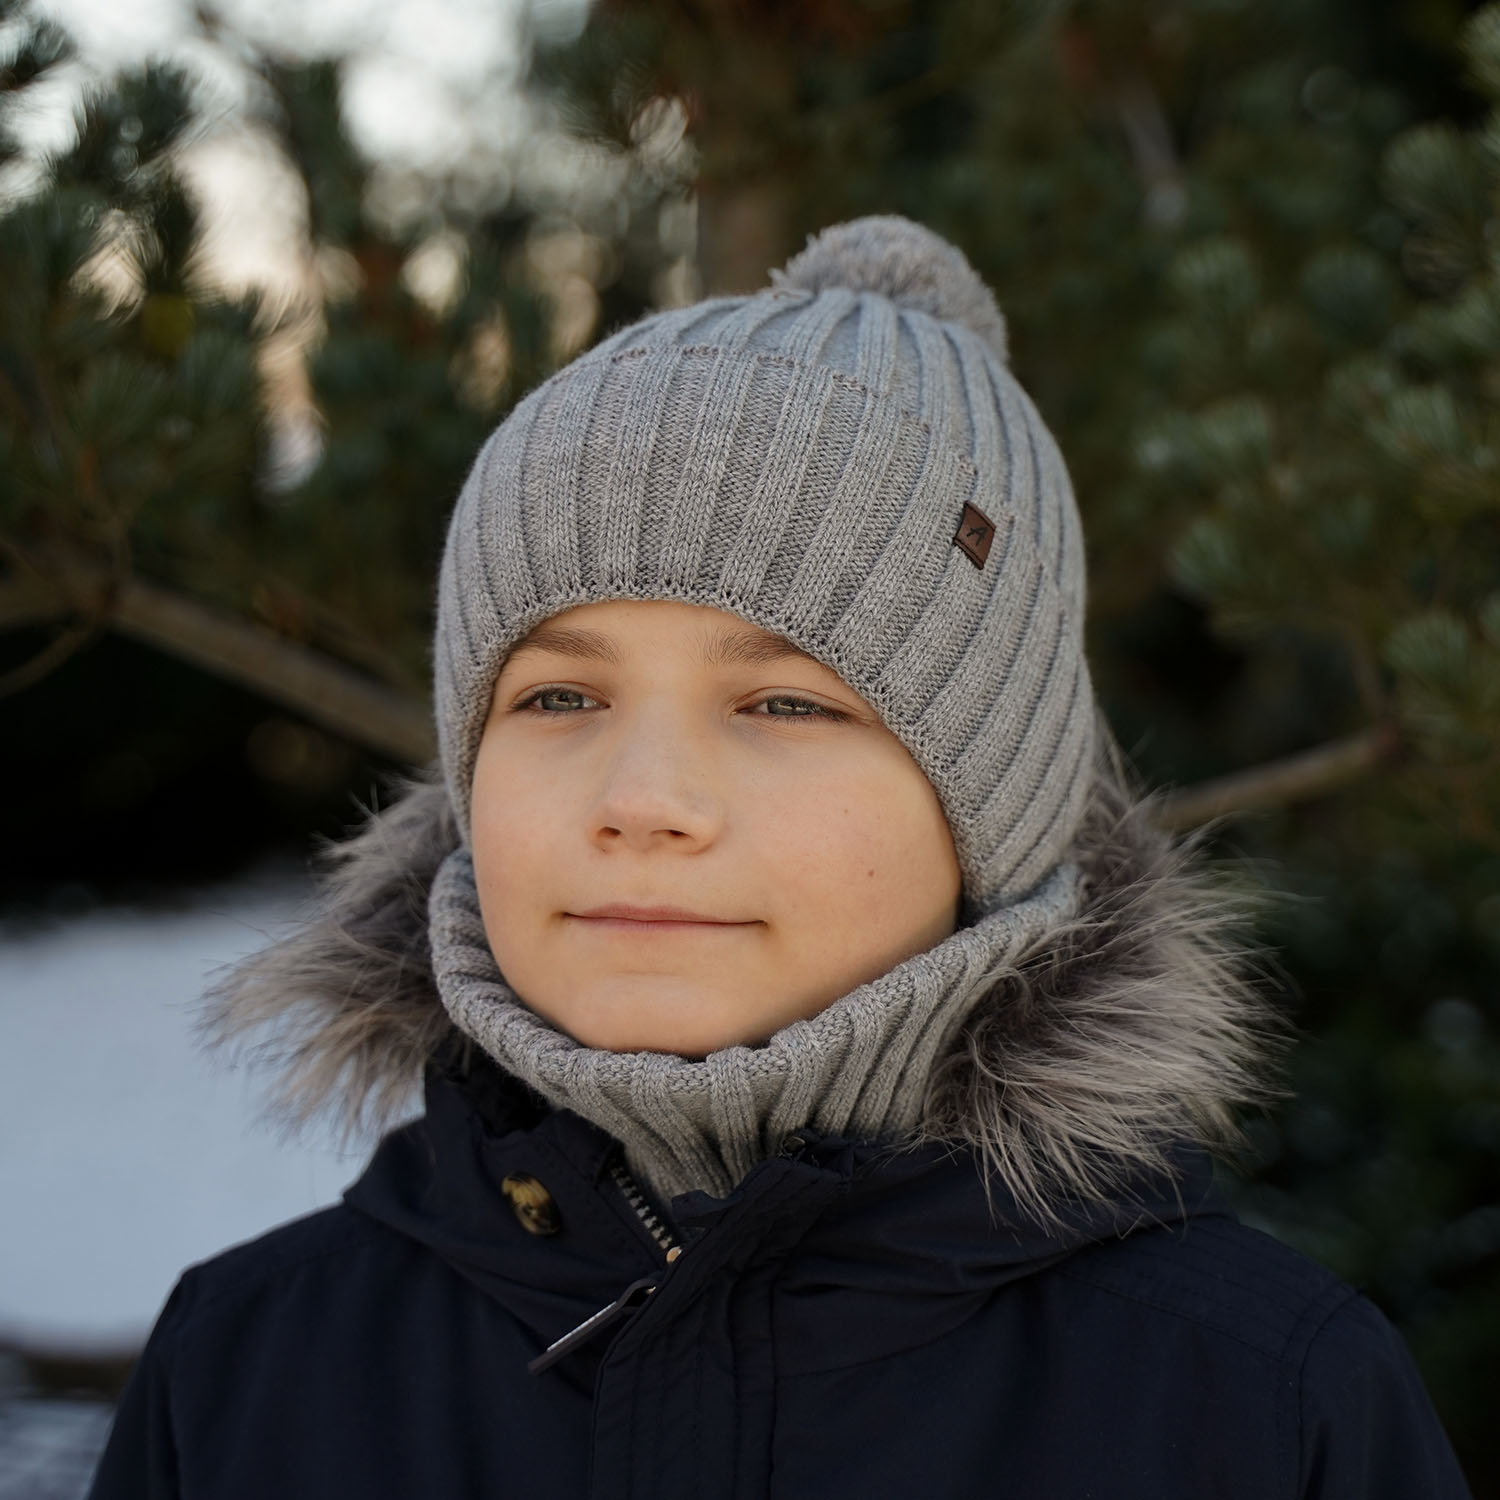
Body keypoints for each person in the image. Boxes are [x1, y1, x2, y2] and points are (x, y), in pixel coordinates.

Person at [86, 214, 1472, 1499]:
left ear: (990, 797)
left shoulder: (1263, 1407)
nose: (644, 800)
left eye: (788, 704)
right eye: (559, 697)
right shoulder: (251, 1371)